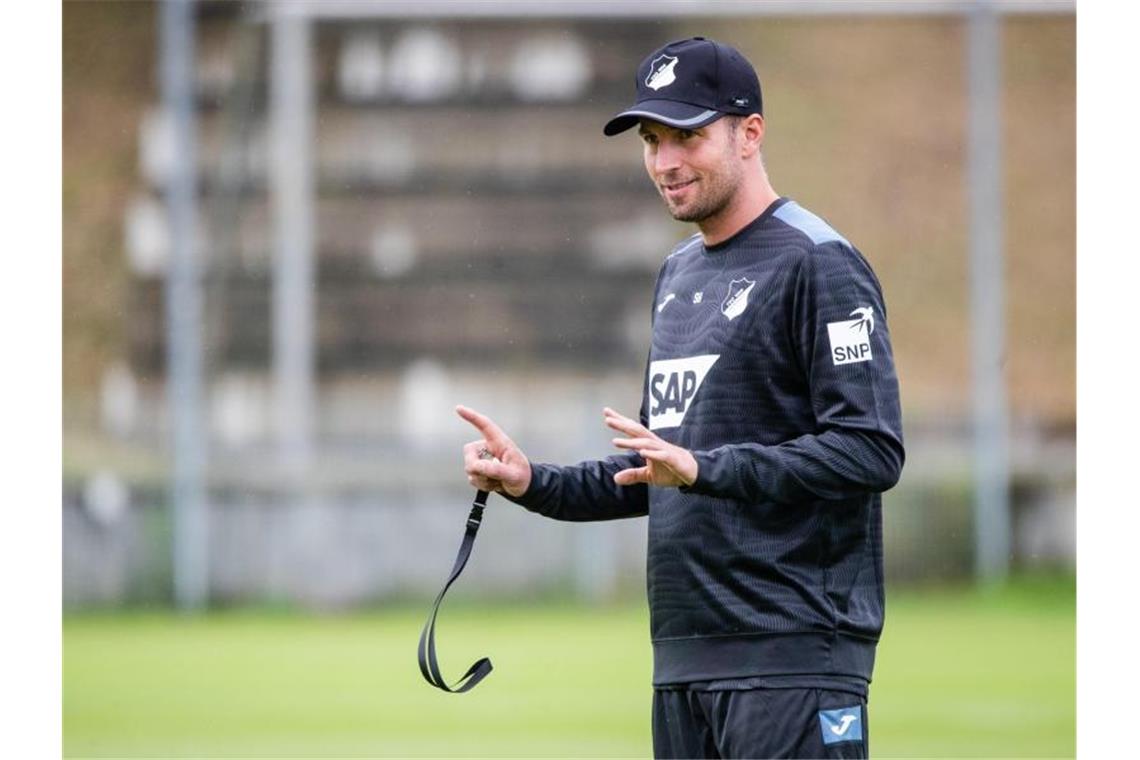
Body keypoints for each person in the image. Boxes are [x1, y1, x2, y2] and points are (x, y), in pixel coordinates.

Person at [458, 36, 903, 759]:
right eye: (651, 140)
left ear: (750, 132)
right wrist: (532, 481)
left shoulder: (819, 263)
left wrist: (704, 469)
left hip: (792, 657)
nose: (665, 162)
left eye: (687, 137)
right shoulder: (677, 274)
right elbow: (659, 467)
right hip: (684, 660)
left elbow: (871, 448)